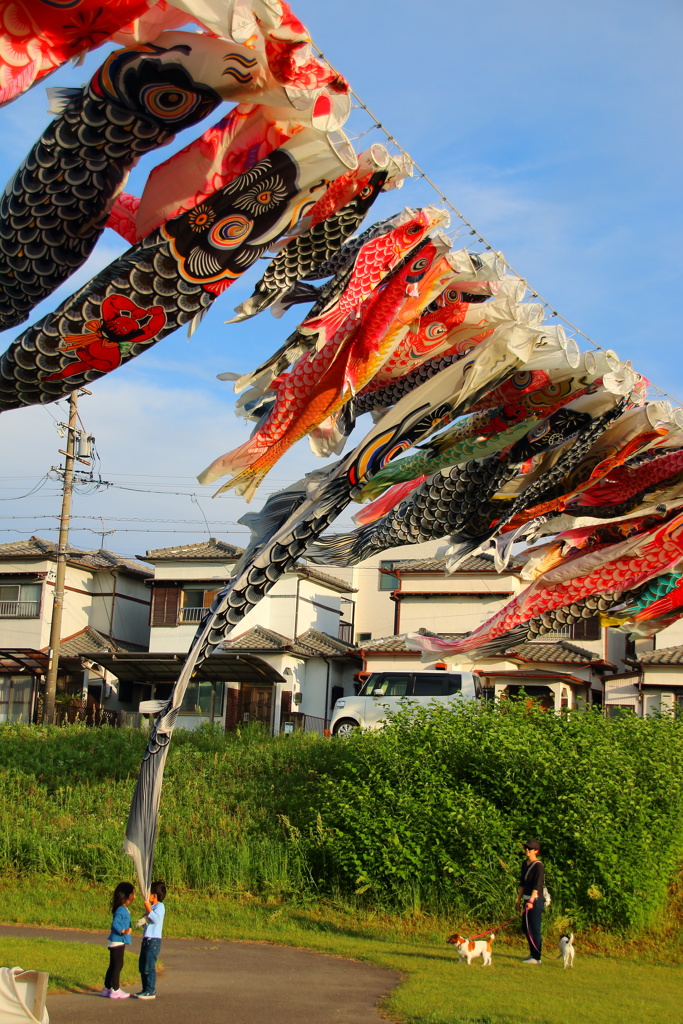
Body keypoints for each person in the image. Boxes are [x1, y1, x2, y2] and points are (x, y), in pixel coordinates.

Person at [516, 838, 545, 964]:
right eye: (526, 848)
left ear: (536, 851)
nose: (527, 850)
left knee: (534, 928)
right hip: (527, 899)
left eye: (530, 848)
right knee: (525, 927)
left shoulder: (538, 866)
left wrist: (531, 901)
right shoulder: (525, 864)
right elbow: (522, 883)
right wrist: (518, 900)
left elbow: (537, 886)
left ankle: (537, 957)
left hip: (536, 900)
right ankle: (533, 952)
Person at [136, 880, 167, 1001]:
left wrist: (148, 909)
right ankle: (145, 989)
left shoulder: (160, 906)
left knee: (149, 966)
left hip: (153, 941)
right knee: (142, 965)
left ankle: (150, 990)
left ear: (155, 895)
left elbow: (156, 919)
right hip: (146, 939)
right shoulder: (152, 907)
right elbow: (148, 921)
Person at [103, 882, 135, 998]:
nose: (134, 897)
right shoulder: (121, 909)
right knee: (118, 965)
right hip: (117, 941)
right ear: (126, 895)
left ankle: (107, 987)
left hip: (116, 941)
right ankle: (115, 989)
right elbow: (115, 923)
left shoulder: (122, 908)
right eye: (132, 894)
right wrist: (123, 931)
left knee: (113, 965)